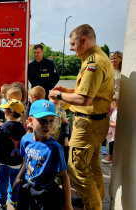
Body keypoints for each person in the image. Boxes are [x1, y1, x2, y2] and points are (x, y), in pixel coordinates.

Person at [49, 24, 114, 209]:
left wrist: (59, 96)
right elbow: (92, 93)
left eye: (72, 44)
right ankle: (95, 203)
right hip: (95, 124)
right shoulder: (96, 58)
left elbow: (84, 99)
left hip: (87, 126)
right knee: (93, 169)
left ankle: (93, 206)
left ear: (83, 40)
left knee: (77, 170)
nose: (70, 48)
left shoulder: (94, 62)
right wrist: (67, 90)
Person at [12, 99, 72, 210]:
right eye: (42, 120)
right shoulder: (25, 140)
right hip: (28, 189)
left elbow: (64, 176)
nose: (47, 125)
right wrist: (18, 177)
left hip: (46, 193)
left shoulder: (55, 148)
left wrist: (68, 204)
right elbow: (27, 160)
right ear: (31, 120)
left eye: (51, 120)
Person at [0, 99, 26, 210]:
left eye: (5, 109)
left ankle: (2, 203)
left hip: (4, 163)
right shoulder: (22, 127)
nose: (3, 110)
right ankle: (15, 200)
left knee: (2, 183)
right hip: (17, 162)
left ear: (11, 112)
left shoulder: (3, 128)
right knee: (15, 182)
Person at [101, 95, 118, 164]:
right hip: (112, 131)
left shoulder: (118, 111)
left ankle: (110, 156)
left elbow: (116, 124)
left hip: (114, 131)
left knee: (112, 143)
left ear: (114, 103)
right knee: (111, 142)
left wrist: (107, 123)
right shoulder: (116, 110)